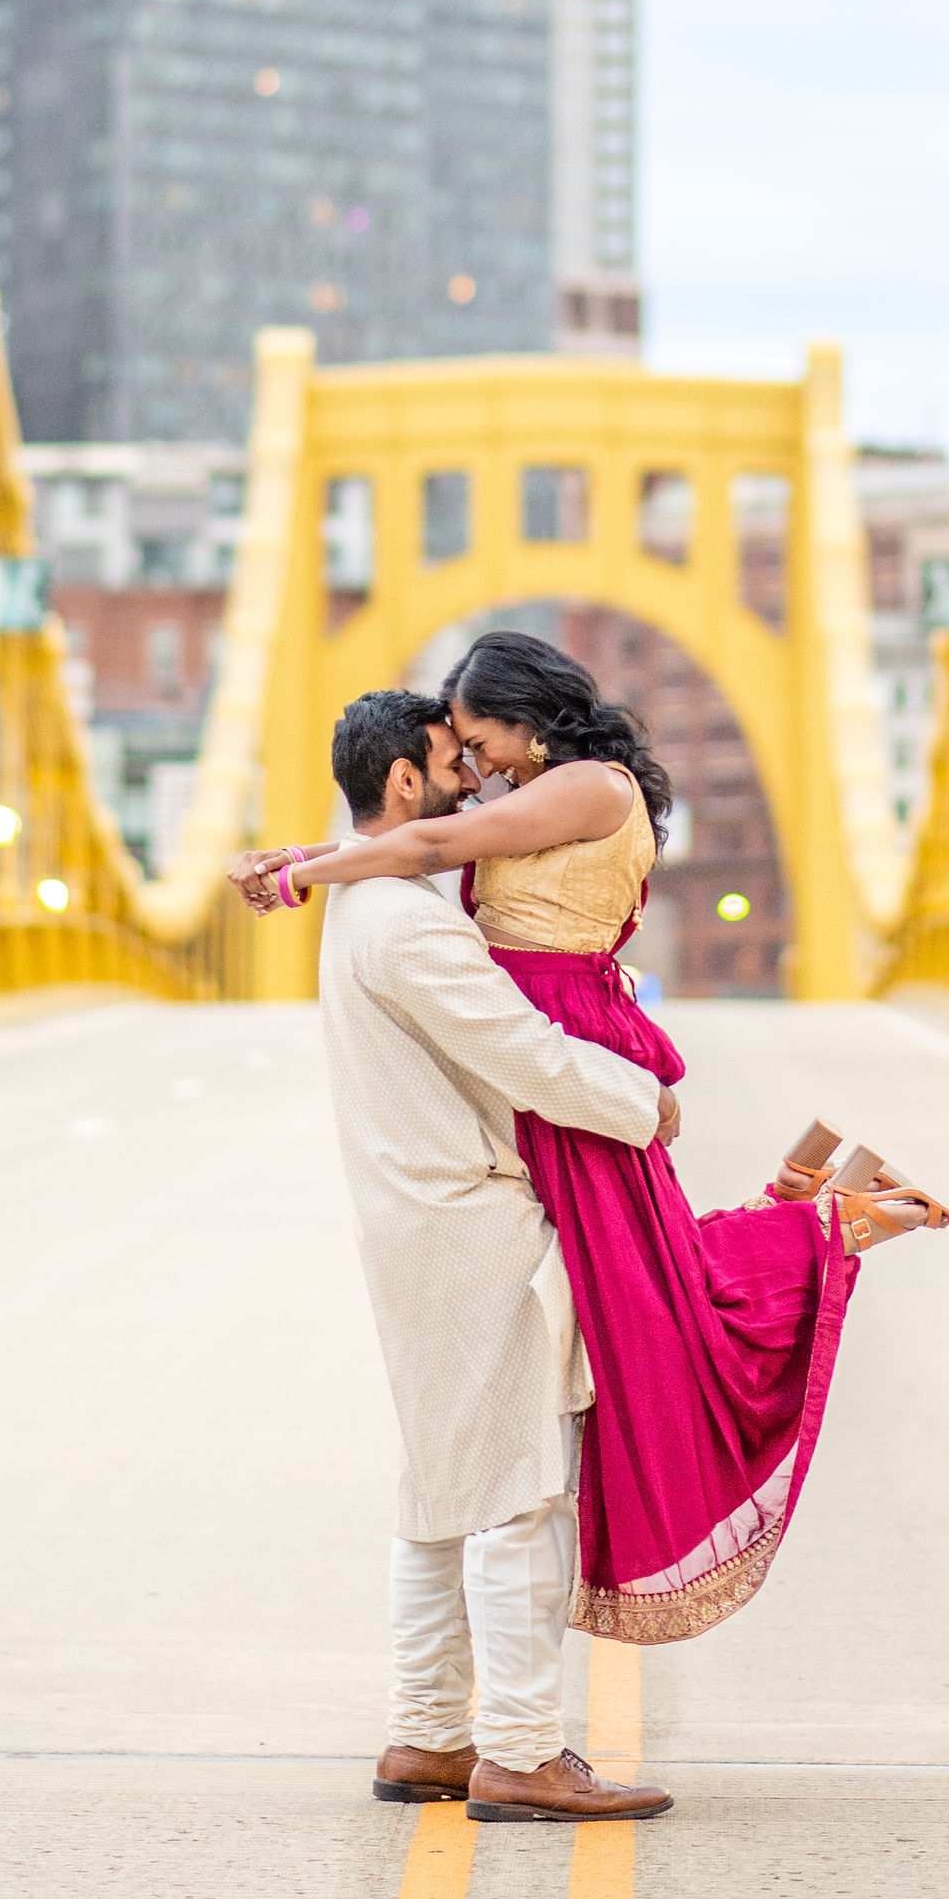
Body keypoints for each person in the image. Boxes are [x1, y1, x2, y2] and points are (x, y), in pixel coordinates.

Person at [237, 631, 949, 1651]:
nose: (477, 767)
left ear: (527, 717)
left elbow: (432, 847)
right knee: (646, 1283)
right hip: (547, 1053)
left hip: (568, 1044)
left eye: (480, 741)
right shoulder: (537, 793)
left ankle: (836, 1219)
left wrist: (299, 872)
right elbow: (425, 848)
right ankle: (822, 1198)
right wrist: (309, 861)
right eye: (460, 754)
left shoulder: (586, 786)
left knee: (653, 1300)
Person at [310, 685, 676, 1826]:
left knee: (442, 1485)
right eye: (452, 761)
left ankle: (427, 1733)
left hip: (410, 1221)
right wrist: (644, 1103)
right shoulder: (410, 924)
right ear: (404, 781)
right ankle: (519, 1751)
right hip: (471, 1223)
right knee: (522, 1492)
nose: (474, 783)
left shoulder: (360, 907)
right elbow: (523, 1052)